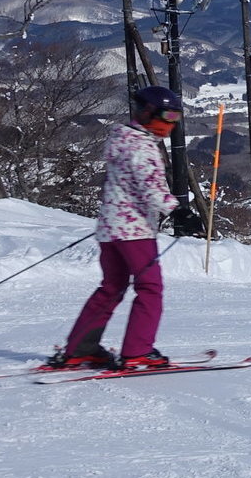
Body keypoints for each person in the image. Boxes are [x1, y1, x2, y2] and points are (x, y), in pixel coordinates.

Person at [53, 85, 201, 371]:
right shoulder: (143, 147)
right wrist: (180, 212)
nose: (171, 124)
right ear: (147, 112)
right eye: (167, 116)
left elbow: (128, 186)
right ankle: (137, 352)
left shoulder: (122, 139)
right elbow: (151, 188)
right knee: (150, 288)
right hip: (134, 232)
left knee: (111, 287)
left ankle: (80, 350)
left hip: (110, 230)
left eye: (176, 118)